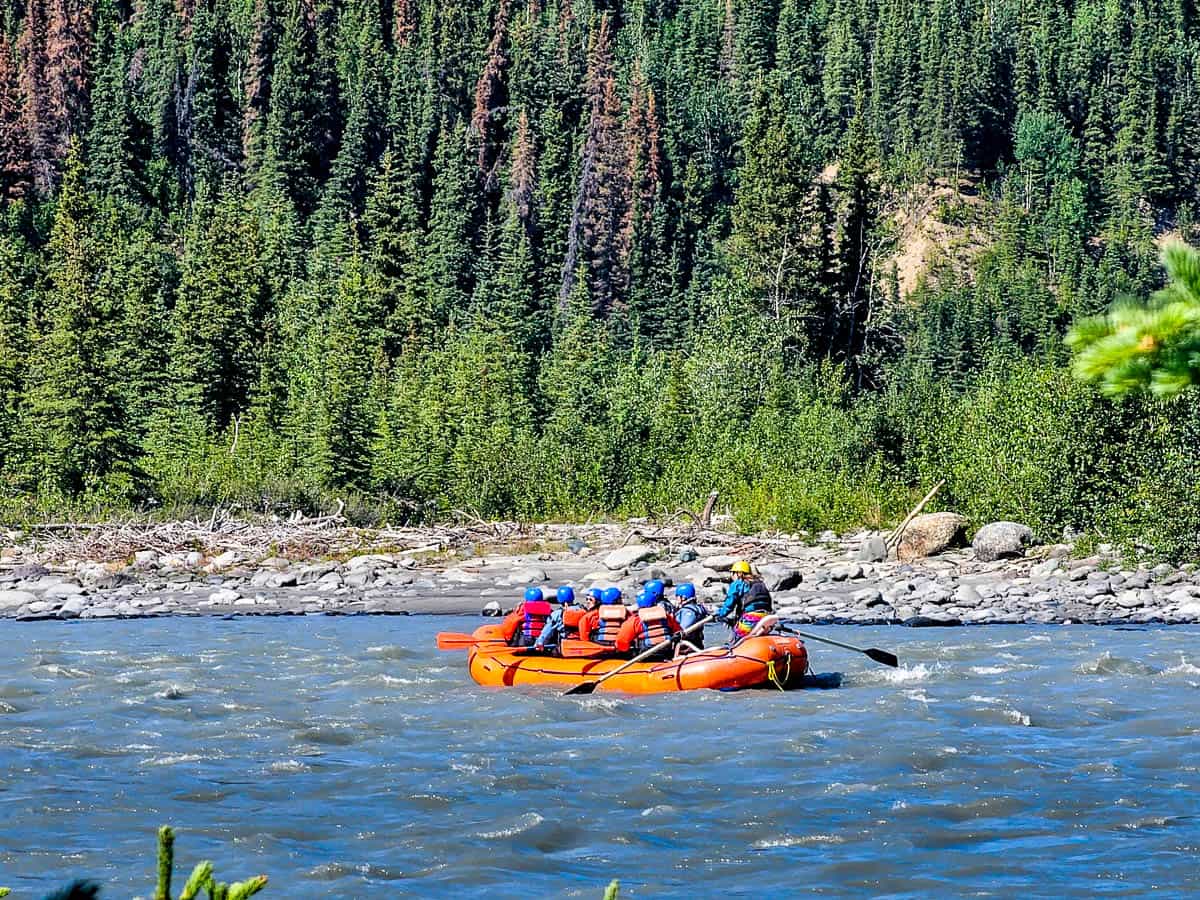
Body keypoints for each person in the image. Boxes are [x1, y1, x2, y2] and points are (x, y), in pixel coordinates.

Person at [716, 560, 773, 639]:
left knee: (733, 639)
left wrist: (719, 614)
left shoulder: (738, 583)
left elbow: (729, 605)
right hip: (766, 619)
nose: (732, 576)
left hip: (751, 619)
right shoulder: (760, 583)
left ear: (738, 573)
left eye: (733, 573)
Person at [615, 590, 681, 656]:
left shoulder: (635, 620)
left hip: (646, 656)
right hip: (667, 652)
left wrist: (625, 651)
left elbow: (621, 642)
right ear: (655, 603)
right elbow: (679, 631)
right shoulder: (667, 617)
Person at [535, 585, 587, 650]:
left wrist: (539, 642)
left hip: (565, 646)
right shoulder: (583, 610)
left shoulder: (557, 614)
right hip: (583, 645)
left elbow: (547, 630)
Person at [672, 582, 708, 650]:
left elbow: (683, 630)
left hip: (688, 646)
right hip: (696, 644)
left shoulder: (688, 611)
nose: (676, 598)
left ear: (683, 597)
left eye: (677, 596)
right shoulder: (696, 608)